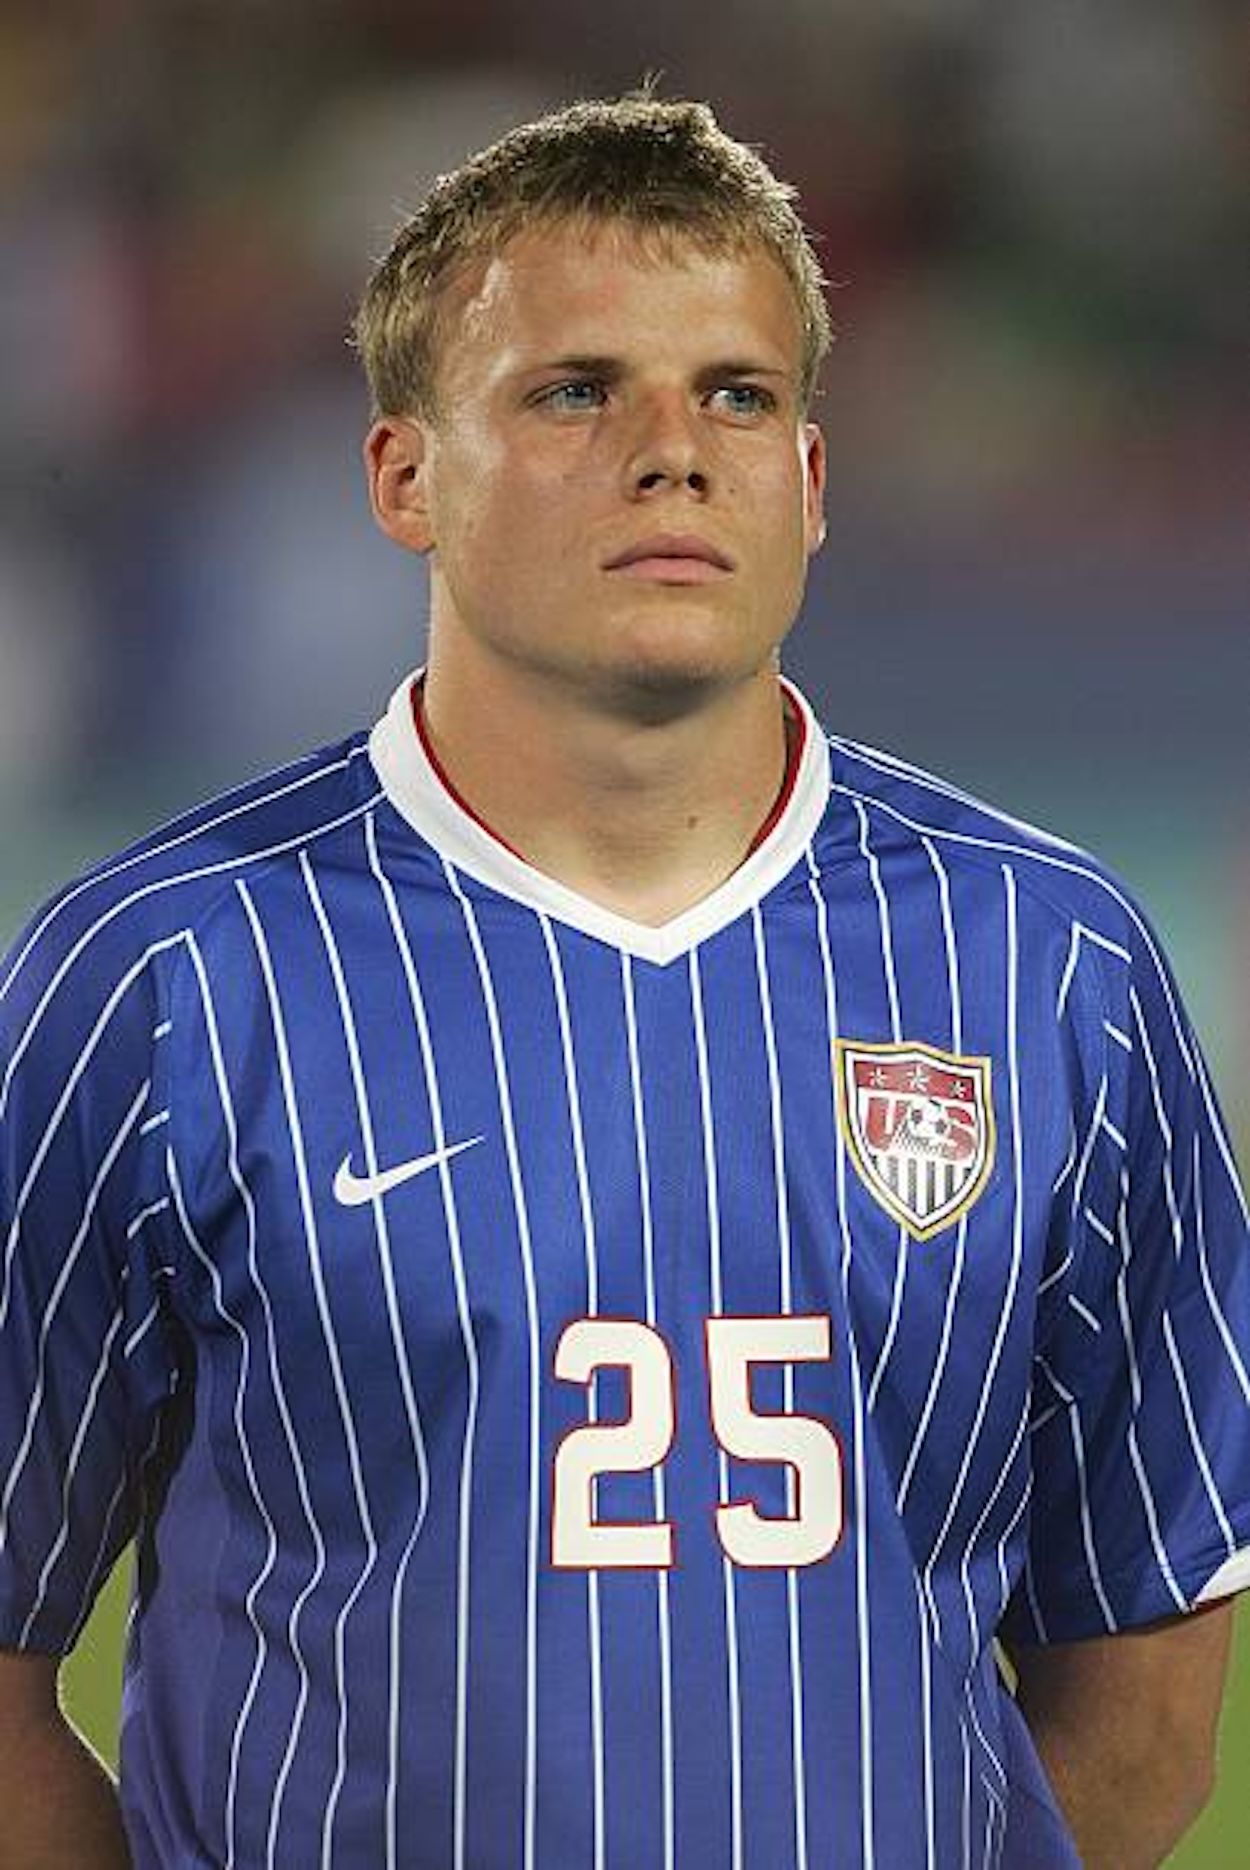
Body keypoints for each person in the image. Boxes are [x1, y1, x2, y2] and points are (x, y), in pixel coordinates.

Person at [1, 92, 1247, 1870]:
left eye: (737, 394)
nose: (674, 451)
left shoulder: (1053, 966)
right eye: (574, 389)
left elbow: (1145, 1683)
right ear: (404, 473)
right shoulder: (163, 975)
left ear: (809, 483)